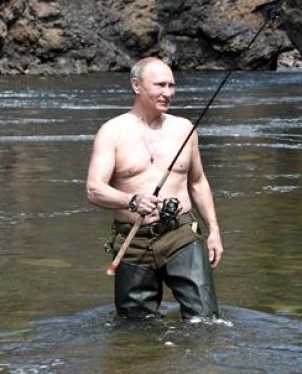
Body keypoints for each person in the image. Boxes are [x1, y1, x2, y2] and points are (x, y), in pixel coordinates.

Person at [86, 57, 223, 319]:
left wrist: (214, 231)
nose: (168, 93)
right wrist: (132, 201)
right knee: (135, 327)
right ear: (136, 85)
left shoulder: (185, 129)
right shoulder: (112, 132)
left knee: (205, 319)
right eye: (160, 85)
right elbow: (94, 189)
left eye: (172, 85)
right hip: (131, 241)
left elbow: (197, 181)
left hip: (180, 233)